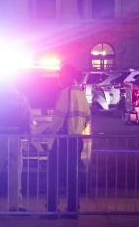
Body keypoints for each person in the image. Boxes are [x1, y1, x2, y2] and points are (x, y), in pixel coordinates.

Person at [46, 64, 90, 216]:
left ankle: (52, 209)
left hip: (62, 139)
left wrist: (49, 131)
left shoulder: (66, 92)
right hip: (76, 139)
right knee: (73, 174)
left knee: (54, 174)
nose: (59, 77)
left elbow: (58, 117)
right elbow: (87, 118)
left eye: (61, 74)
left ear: (67, 76)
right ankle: (72, 208)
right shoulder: (81, 93)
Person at [0, 84, 31, 211]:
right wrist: (28, 134)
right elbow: (27, 116)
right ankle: (15, 204)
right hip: (14, 138)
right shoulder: (21, 97)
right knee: (15, 172)